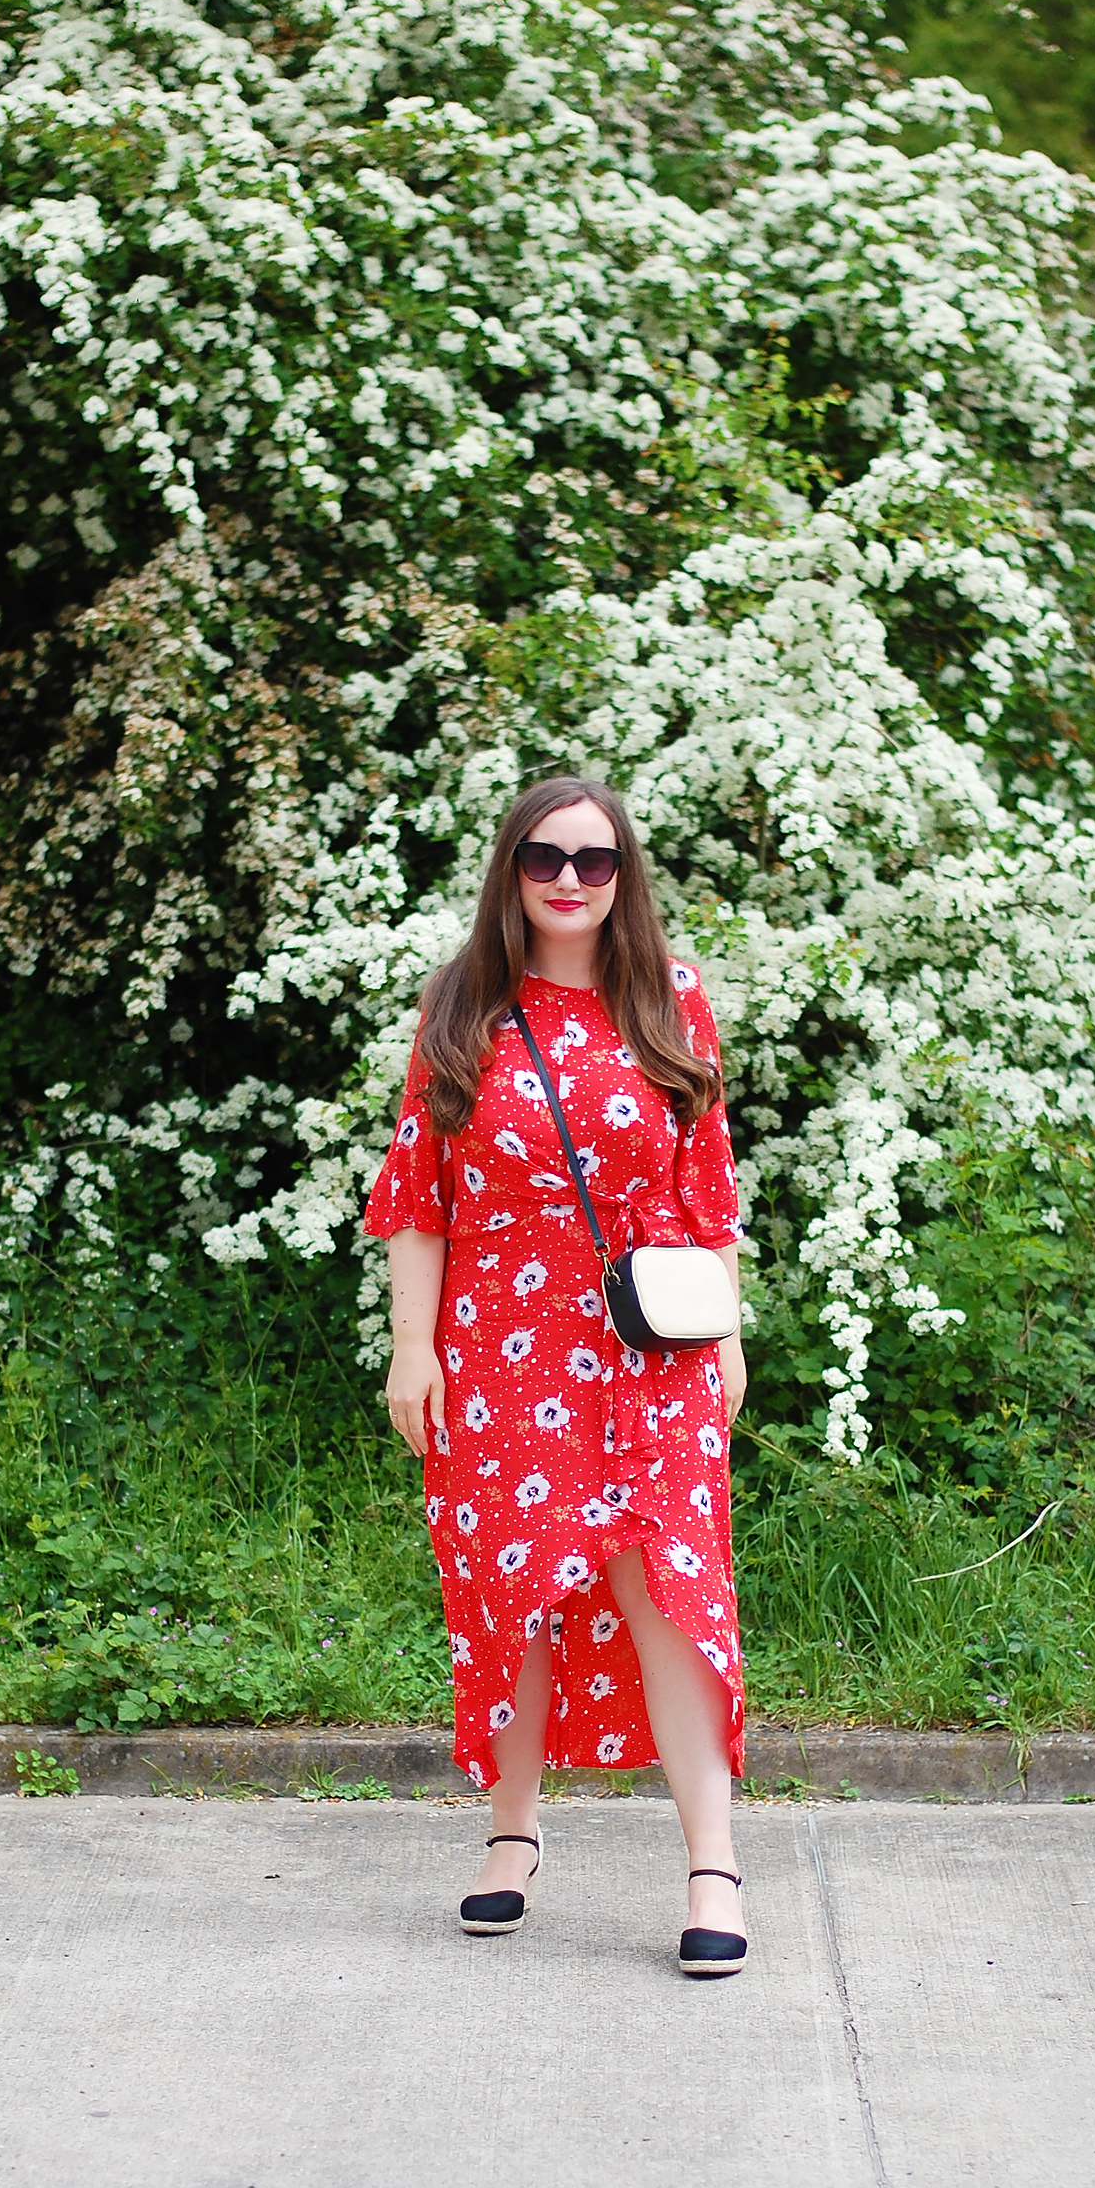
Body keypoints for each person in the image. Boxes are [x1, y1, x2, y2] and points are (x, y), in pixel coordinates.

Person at [362, 776, 750, 1976]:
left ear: (625, 874)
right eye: (544, 858)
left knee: (669, 1591)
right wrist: (410, 1345)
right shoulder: (462, 1006)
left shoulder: (671, 1003)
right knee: (514, 1589)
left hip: (651, 1351)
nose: (570, 881)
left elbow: (707, 1184)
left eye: (595, 860)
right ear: (510, 871)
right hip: (500, 1347)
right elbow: (419, 1195)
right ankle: (512, 1834)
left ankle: (713, 1862)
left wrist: (728, 1337)